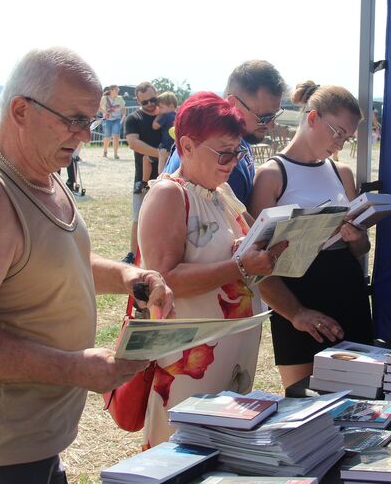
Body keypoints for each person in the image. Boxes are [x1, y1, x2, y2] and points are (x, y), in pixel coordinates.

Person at [0, 47, 174, 484]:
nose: (84, 134)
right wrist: (74, 368)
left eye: (90, 121)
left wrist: (128, 276)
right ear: (20, 110)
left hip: (28, 447)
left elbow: (56, 259)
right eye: (74, 119)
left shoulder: (42, 169)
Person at [137, 91, 286, 447]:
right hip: (190, 358)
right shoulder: (170, 195)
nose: (233, 161)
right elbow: (164, 281)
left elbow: (248, 249)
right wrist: (238, 264)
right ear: (186, 147)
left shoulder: (221, 192)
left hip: (228, 354)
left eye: (238, 152)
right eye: (224, 152)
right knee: (183, 452)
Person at [249, 82, 374, 389]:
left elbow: (361, 248)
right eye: (338, 133)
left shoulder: (341, 172)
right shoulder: (272, 174)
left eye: (347, 138)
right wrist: (296, 313)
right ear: (313, 118)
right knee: (304, 401)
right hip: (297, 297)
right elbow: (254, 264)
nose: (340, 144)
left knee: (362, 399)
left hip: (348, 292)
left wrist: (355, 237)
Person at [163, 60, 286, 205]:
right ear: (233, 103)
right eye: (264, 117)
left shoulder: (239, 140)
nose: (271, 125)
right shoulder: (207, 156)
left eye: (274, 116)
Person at [124, 82, 163, 264]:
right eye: (144, 102)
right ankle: (133, 254)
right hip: (143, 179)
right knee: (138, 217)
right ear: (138, 101)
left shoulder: (167, 116)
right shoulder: (134, 119)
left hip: (167, 176)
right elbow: (133, 143)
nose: (149, 104)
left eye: (153, 100)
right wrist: (160, 154)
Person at [152, 91, 178, 177]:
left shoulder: (166, 116)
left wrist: (158, 115)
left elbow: (155, 126)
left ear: (171, 106)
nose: (160, 109)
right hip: (175, 145)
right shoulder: (178, 115)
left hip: (165, 145)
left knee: (148, 159)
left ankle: (157, 178)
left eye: (161, 107)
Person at [100, 84, 126, 159]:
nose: (117, 91)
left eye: (118, 90)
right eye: (116, 90)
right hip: (107, 119)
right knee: (107, 136)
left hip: (117, 119)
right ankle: (105, 151)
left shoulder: (120, 99)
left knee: (116, 135)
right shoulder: (104, 98)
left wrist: (123, 115)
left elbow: (123, 108)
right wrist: (105, 112)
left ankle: (115, 154)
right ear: (111, 90)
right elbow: (99, 108)